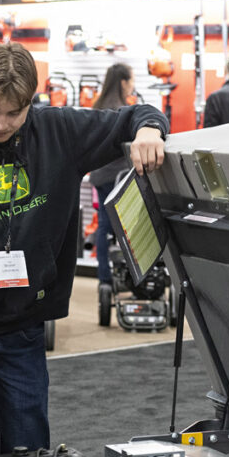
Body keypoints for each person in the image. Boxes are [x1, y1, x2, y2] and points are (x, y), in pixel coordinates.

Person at [0, 42, 168, 451]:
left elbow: (136, 116)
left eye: (15, 112)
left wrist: (150, 131)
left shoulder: (57, 131)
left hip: (24, 333)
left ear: (32, 100)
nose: (1, 124)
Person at [89, 63, 136, 297]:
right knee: (122, 228)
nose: (133, 85)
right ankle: (123, 277)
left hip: (100, 176)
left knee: (105, 227)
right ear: (123, 82)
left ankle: (105, 278)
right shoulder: (121, 111)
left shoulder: (98, 107)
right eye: (131, 81)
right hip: (117, 178)